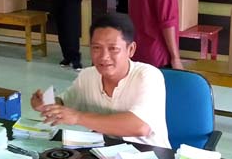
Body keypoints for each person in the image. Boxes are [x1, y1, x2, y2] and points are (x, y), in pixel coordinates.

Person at [29, 13, 169, 148]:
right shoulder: (87, 76)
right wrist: (47, 104)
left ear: (130, 49)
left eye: (113, 48)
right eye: (96, 48)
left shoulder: (148, 76)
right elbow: (66, 102)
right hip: (104, 153)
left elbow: (140, 126)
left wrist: (78, 118)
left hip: (151, 157)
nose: (104, 57)